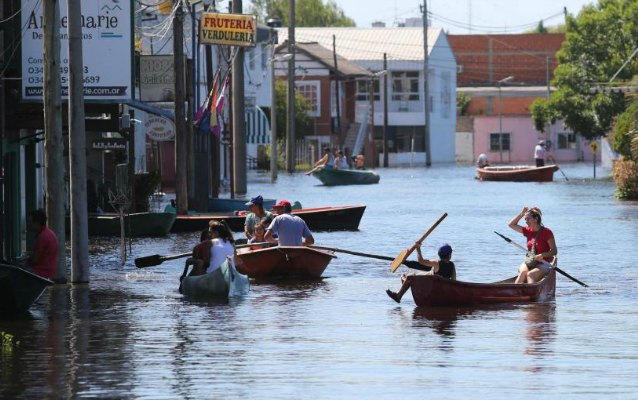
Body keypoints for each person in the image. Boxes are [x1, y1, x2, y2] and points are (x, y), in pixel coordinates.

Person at [386, 243, 456, 303]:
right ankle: (406, 284)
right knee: (412, 275)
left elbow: (421, 261)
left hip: (432, 288)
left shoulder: (436, 263)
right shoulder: (452, 265)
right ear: (449, 255)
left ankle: (398, 296)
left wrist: (418, 249)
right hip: (442, 290)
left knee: (409, 276)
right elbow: (454, 281)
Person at [508, 207, 557, 284]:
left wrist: (542, 255)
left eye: (528, 219)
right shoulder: (528, 230)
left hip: (545, 263)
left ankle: (532, 294)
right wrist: (521, 214)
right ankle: (514, 293)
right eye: (525, 219)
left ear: (536, 219)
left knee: (530, 275)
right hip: (531, 261)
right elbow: (511, 225)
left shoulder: (547, 232)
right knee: (522, 273)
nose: (526, 221)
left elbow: (554, 251)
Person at [25, 209, 58, 280]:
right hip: (50, 271)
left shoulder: (42, 237)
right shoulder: (49, 233)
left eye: (30, 222)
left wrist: (26, 262)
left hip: (42, 272)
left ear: (37, 223)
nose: (28, 224)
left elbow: (34, 261)